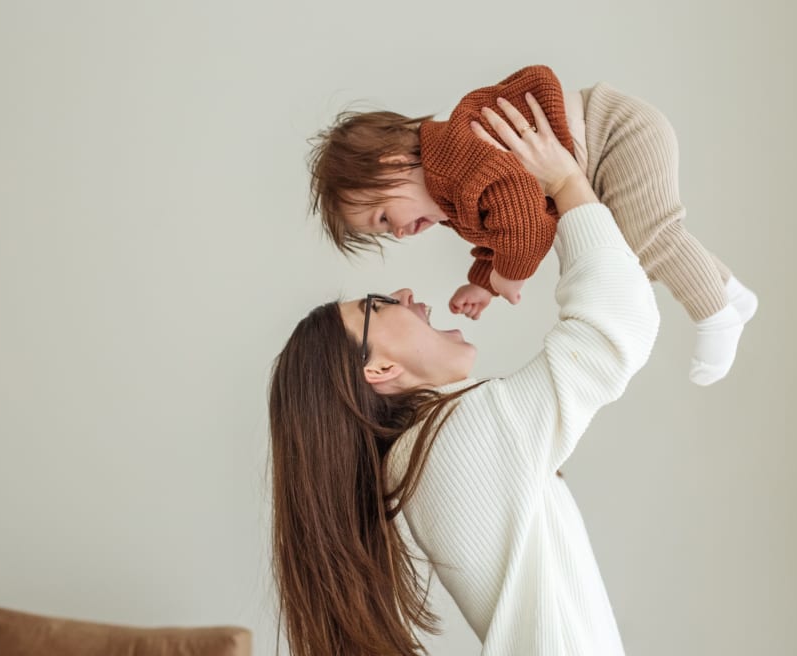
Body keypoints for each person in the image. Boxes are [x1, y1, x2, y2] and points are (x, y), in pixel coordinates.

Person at [271, 97, 659, 655]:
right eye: (381, 305)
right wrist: (567, 182)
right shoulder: (457, 436)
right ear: (378, 368)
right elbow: (617, 323)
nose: (406, 294)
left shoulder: (420, 455)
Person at [309, 64, 757, 385]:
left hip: (616, 133)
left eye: (385, 217)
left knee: (651, 239)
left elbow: (525, 224)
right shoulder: (446, 192)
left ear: (394, 164)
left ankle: (715, 317)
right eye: (386, 233)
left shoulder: (454, 159)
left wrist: (508, 274)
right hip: (601, 156)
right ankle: (730, 294)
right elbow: (497, 229)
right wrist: (482, 282)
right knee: (643, 245)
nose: (400, 233)